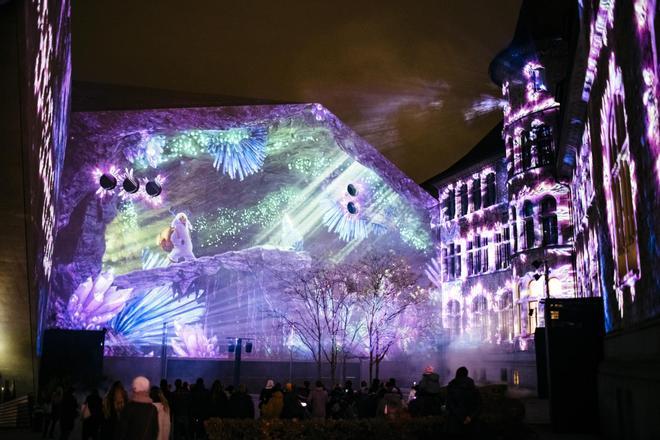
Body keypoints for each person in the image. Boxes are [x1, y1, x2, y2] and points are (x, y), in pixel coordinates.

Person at [446, 367, 481, 437]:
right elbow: (479, 404)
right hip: (471, 423)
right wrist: (470, 417)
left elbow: (450, 404)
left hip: (455, 423)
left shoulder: (451, 386)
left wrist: (460, 418)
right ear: (467, 374)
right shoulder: (473, 387)